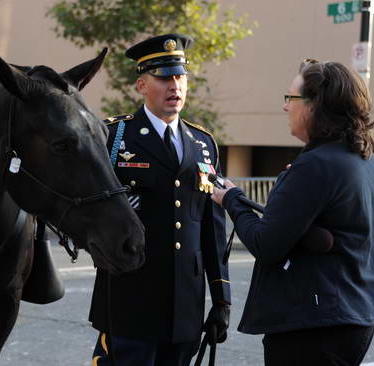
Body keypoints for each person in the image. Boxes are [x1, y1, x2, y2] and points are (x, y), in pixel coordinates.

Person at [211, 59, 374, 366]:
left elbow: (265, 244)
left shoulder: (316, 166)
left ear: (314, 105)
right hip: (352, 315)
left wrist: (232, 199)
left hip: (313, 326)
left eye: (290, 98)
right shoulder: (363, 157)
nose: (284, 107)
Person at [89, 34, 231, 366]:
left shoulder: (203, 143)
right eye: (164, 77)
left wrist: (221, 299)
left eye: (180, 76)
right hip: (128, 302)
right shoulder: (114, 137)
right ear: (141, 85)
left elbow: (211, 227)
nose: (175, 86)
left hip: (185, 307)